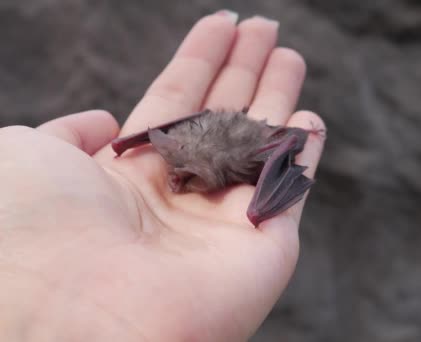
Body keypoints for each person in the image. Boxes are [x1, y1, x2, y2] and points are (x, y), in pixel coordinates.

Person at [0, 10, 325, 341]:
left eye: (182, 179)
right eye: (176, 176)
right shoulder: (181, 147)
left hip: (247, 148)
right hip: (210, 142)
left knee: (249, 178)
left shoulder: (232, 166)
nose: (175, 183)